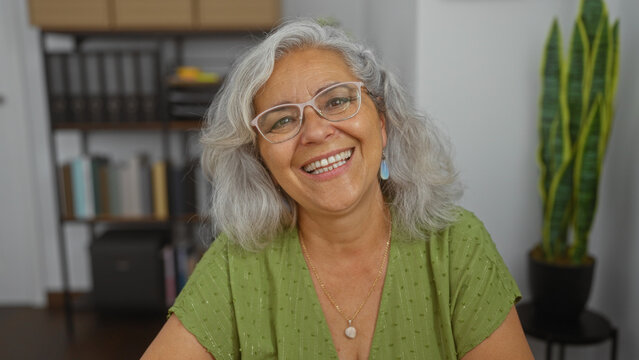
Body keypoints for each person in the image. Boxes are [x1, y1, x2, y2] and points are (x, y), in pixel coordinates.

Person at [142, 19, 533, 360]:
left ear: (382, 123)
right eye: (280, 122)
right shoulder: (235, 263)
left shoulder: (457, 245)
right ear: (261, 159)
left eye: (337, 100)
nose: (315, 132)